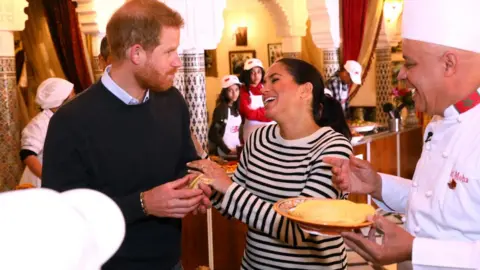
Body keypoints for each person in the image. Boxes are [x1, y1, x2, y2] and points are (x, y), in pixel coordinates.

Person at [42, 1, 211, 269]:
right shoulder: (71, 121)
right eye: (169, 51)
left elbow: (185, 163)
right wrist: (143, 204)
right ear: (136, 54)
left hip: (172, 260)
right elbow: (62, 215)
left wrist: (196, 187)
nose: (177, 61)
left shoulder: (172, 101)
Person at [324, 1, 480, 269]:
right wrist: (377, 185)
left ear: (449, 64)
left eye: (410, 63)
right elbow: (441, 201)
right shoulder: (443, 118)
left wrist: (414, 250)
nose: (403, 74)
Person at [188, 58, 353, 269]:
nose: (264, 89)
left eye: (274, 80)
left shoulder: (332, 147)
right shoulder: (258, 139)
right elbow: (233, 206)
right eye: (264, 82)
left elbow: (297, 231)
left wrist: (227, 188)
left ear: (305, 90)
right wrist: (207, 177)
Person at [19, 78, 75, 188]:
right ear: (60, 100)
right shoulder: (39, 124)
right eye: (72, 94)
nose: (76, 97)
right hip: (41, 184)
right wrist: (49, 179)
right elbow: (28, 155)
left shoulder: (66, 118)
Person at [238, 58, 274, 143]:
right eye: (252, 72)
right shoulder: (243, 91)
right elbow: (249, 114)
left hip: (270, 131)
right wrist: (268, 113)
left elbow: (275, 107)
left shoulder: (266, 87)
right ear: (247, 74)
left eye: (258, 72)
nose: (256, 75)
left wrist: (260, 112)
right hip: (252, 132)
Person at [208, 75, 242, 158]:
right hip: (225, 153)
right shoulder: (221, 109)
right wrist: (227, 150)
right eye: (230, 90)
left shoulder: (236, 107)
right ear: (225, 92)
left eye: (236, 90)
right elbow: (213, 134)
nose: (234, 93)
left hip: (236, 150)